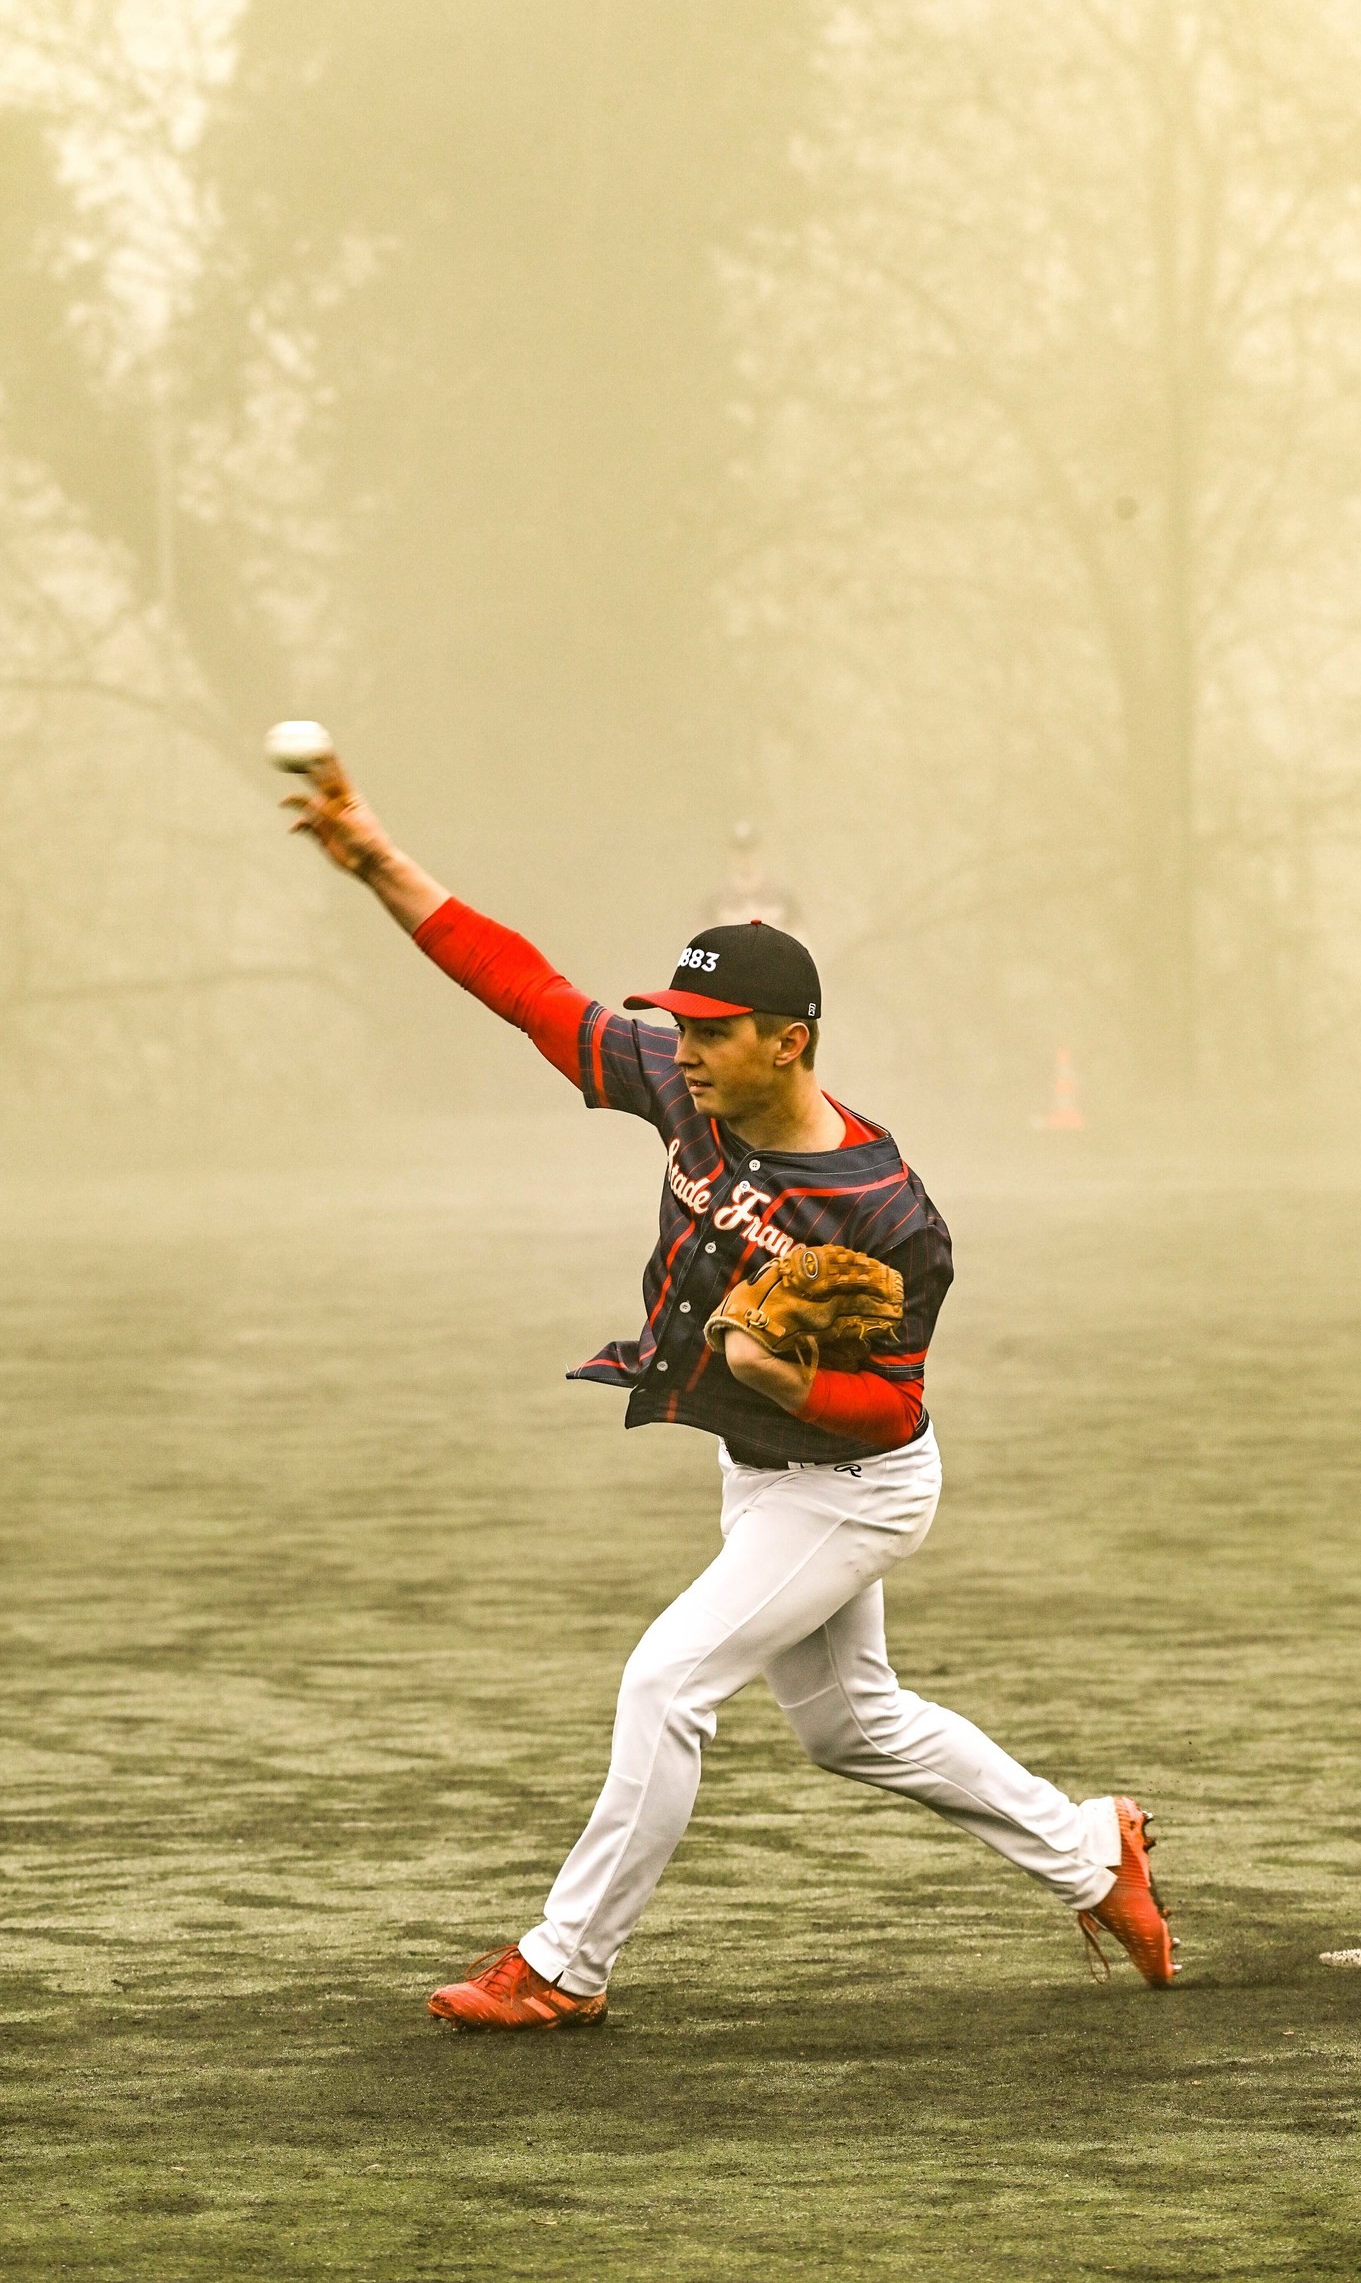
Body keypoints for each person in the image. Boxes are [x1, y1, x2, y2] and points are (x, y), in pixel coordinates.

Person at [284, 757, 1176, 2029]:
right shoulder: (682, 1089)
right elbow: (525, 989)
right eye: (680, 1028)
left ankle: (561, 1967)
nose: (683, 1051)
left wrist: (778, 1377)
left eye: (710, 1033)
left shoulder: (883, 1210)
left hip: (856, 1488)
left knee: (666, 1683)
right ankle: (1095, 1852)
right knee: (850, 1728)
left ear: (787, 1042)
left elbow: (896, 1411)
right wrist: (377, 859)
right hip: (764, 1477)